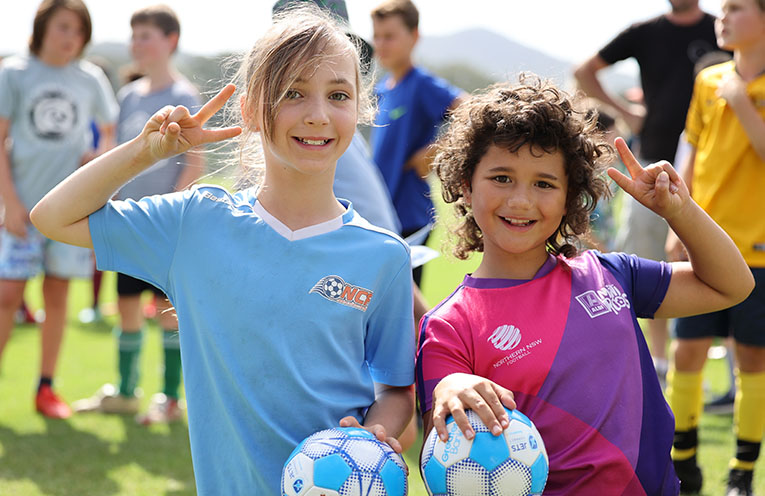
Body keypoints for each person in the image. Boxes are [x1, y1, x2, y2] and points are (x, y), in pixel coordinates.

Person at [30, 5, 415, 494]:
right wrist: (145, 152)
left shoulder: (382, 256)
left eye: (338, 95)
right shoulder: (195, 223)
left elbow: (396, 389)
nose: (318, 114)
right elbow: (52, 216)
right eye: (293, 92)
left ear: (360, 108)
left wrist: (372, 436)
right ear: (250, 110)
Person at [415, 76, 754, 495]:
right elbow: (443, 451)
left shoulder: (611, 275)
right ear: (466, 185)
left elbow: (732, 285)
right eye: (501, 178)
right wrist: (449, 386)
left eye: (544, 184)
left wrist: (679, 212)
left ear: (569, 197)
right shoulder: (448, 326)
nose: (521, 200)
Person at [72, 4, 203, 426]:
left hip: (165, 229)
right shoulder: (129, 96)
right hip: (127, 222)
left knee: (167, 313)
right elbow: (117, 157)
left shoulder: (184, 97)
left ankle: (170, 400)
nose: (137, 44)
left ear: (171, 41)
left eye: (146, 35)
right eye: (134, 36)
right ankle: (127, 394)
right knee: (127, 307)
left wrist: (170, 214)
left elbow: (194, 164)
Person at [573, 0, 718, 385]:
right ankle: (656, 363)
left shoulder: (722, 29)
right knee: (648, 268)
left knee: (717, 267)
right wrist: (626, 112)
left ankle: (710, 371)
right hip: (652, 169)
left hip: (713, 170)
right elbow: (584, 71)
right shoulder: (645, 32)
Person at [664, 0, 765, 493]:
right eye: (722, 7)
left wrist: (742, 100)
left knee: (753, 362)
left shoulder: (736, 88)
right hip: (703, 245)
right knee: (686, 354)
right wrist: (678, 221)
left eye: (736, 7)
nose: (722, 16)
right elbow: (692, 151)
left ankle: (742, 472)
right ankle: (683, 463)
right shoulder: (708, 80)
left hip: (759, 251)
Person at [0, 0, 118, 419]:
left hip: (69, 213)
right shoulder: (14, 72)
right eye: (63, 27)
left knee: (58, 293)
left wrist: (98, 155)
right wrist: (10, 202)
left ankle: (46, 388)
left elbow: (109, 131)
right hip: (20, 210)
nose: (71, 37)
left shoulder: (90, 79)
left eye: (79, 30)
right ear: (42, 27)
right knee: (7, 295)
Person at [369, 0, 465, 285]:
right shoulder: (382, 90)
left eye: (389, 36)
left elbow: (471, 111)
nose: (381, 44)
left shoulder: (422, 84)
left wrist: (435, 152)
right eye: (377, 36)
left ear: (414, 37)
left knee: (406, 301)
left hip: (409, 215)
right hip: (381, 211)